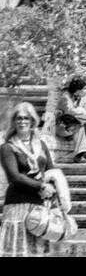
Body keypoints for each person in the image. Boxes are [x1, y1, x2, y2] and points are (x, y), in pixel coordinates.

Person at [1, 102, 64, 256]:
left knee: (37, 250)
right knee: (18, 249)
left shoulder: (41, 145)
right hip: (18, 204)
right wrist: (41, 186)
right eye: (18, 118)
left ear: (32, 121)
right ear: (14, 122)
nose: (22, 122)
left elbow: (51, 171)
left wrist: (55, 196)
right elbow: (14, 177)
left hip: (39, 203)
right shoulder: (7, 147)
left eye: (26, 118)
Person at [56, 75, 86, 161]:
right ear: (77, 91)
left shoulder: (83, 97)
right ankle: (79, 154)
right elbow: (71, 111)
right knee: (80, 125)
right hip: (63, 126)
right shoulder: (65, 97)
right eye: (84, 89)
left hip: (76, 122)